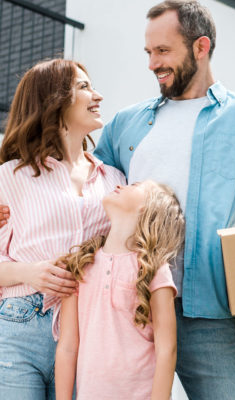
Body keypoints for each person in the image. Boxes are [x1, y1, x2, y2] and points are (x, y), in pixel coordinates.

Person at [0, 1, 235, 398]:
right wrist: (12, 214)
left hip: (203, 311)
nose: (153, 63)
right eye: (149, 52)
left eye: (163, 51)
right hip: (121, 307)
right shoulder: (127, 122)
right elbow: (80, 194)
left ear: (201, 47)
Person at [0, 59, 126, 399]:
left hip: (87, 328)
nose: (97, 95)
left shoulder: (114, 181)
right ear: (53, 99)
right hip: (18, 324)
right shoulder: (11, 176)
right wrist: (30, 271)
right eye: (84, 87)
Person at [55, 180, 184, 400]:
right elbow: (67, 347)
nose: (121, 185)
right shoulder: (79, 264)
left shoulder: (154, 270)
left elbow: (167, 350)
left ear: (147, 207)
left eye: (134, 185)